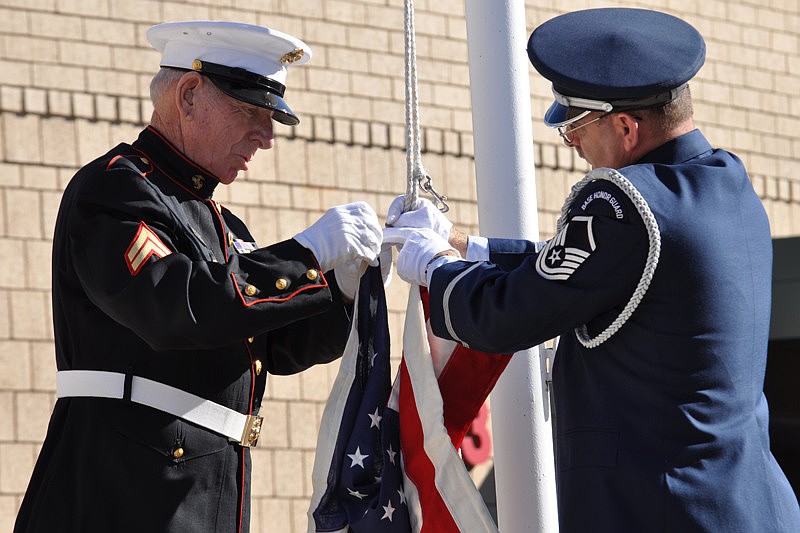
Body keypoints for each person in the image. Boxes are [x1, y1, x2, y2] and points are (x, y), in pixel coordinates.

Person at [384, 8, 800, 532]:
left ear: (625, 126)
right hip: (747, 505)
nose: (572, 143)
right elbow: (600, 269)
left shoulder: (622, 202)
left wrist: (434, 266)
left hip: (660, 511)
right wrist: (469, 247)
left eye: (575, 127)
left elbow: (508, 315)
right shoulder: (726, 182)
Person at [14, 21, 384, 533]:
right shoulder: (117, 188)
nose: (267, 137)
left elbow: (275, 348)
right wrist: (306, 253)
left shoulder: (225, 227)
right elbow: (176, 307)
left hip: (207, 490)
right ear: (189, 95)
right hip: (123, 494)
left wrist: (343, 286)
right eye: (251, 112)